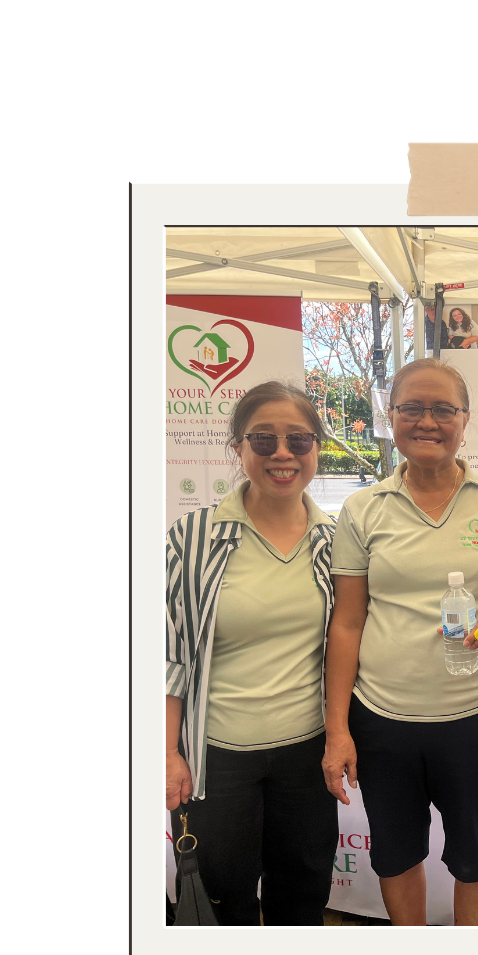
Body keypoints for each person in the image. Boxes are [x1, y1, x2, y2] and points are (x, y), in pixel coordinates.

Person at [322, 358, 478, 926]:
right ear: (390, 416)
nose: (427, 421)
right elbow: (347, 622)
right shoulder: (363, 509)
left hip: (476, 717)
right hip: (383, 720)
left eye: (443, 409)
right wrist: (339, 729)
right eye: (412, 408)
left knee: (476, 854)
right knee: (395, 855)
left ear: (465, 419)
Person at [165, 382, 339, 926]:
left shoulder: (336, 541)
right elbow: (166, 655)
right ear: (238, 447)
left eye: (298, 439)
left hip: (307, 755)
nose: (282, 453)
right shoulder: (192, 537)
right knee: (224, 898)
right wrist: (166, 751)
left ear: (317, 447)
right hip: (217, 758)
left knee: (302, 895)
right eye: (263, 439)